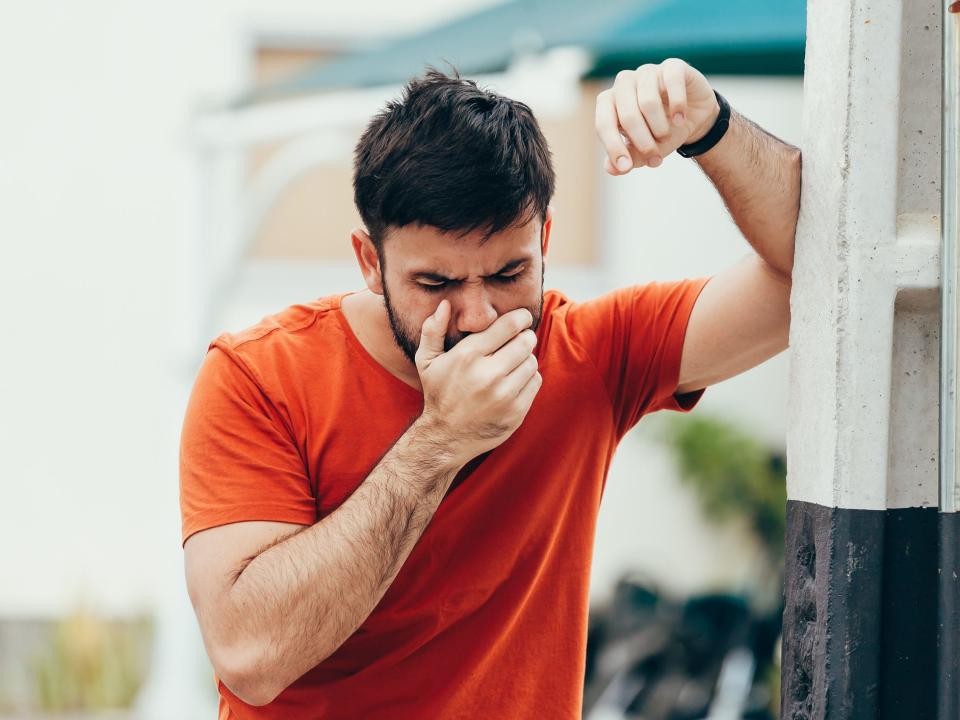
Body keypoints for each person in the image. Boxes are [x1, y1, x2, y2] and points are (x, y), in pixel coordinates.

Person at [180, 58, 799, 719]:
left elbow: (816, 274)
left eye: (508, 273)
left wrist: (713, 127)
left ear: (546, 241)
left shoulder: (592, 352)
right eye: (436, 285)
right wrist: (438, 442)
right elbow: (250, 656)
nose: (478, 317)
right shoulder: (258, 376)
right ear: (370, 263)